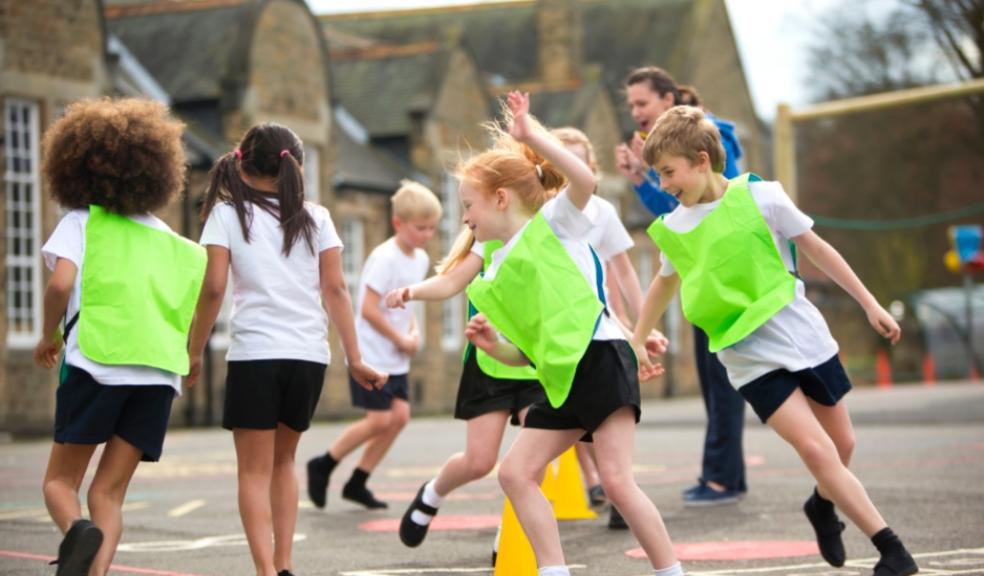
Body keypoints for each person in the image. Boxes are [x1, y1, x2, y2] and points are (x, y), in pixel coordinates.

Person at [631, 105, 918, 576]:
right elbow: (663, 284)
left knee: (841, 445)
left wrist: (871, 304)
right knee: (818, 451)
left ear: (701, 160)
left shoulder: (762, 197)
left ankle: (821, 507)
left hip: (800, 333)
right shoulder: (675, 229)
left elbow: (818, 250)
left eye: (667, 172)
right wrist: (638, 339)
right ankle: (891, 549)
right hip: (745, 353)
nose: (663, 185)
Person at [461, 91, 683, 576]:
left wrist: (530, 134)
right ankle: (553, 570)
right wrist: (493, 347)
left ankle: (671, 571)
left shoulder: (554, 223)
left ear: (501, 198)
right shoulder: (497, 269)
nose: (463, 218)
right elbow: (530, 352)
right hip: (563, 377)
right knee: (516, 473)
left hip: (600, 358)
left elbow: (584, 178)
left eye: (468, 205)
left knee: (618, 483)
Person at [186, 122, 387, 576]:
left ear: (244, 162)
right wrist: (355, 358)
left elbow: (214, 288)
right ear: (293, 163)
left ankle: (264, 572)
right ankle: (285, 564)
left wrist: (194, 351)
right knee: (285, 462)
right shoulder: (317, 216)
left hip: (256, 354)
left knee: (253, 472)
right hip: (308, 356)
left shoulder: (226, 214)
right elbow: (335, 289)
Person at [36, 98, 205, 576]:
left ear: (75, 168)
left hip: (98, 361)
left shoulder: (81, 223)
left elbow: (61, 284)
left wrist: (49, 334)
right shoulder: (175, 242)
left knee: (59, 484)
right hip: (157, 375)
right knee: (108, 494)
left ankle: (76, 530)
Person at [616, 66, 748, 506]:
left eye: (642, 103)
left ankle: (722, 478)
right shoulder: (660, 152)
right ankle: (726, 475)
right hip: (697, 270)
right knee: (715, 381)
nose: (635, 112)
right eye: (631, 104)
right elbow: (673, 212)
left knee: (725, 377)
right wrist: (641, 178)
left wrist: (648, 175)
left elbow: (709, 203)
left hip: (725, 273)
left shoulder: (709, 137)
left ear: (668, 100)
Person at [385, 215, 546, 555]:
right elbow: (450, 282)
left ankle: (511, 533)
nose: (466, 216)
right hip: (490, 364)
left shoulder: (546, 234)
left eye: (471, 205)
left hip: (534, 364)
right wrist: (410, 292)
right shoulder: (487, 241)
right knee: (479, 462)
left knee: (531, 464)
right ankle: (432, 493)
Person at [306, 181, 441, 510]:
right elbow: (367, 309)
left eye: (432, 228)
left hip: (397, 354)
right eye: (420, 228)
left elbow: (409, 306)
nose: (427, 234)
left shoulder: (420, 259)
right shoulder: (385, 258)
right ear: (398, 223)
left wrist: (414, 334)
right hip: (373, 353)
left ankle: (358, 481)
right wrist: (398, 339)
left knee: (401, 416)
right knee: (381, 420)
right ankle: (323, 464)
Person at [550, 126, 657, 512]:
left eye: (581, 161)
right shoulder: (545, 215)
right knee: (572, 416)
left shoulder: (602, 212)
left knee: (605, 417)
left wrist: (643, 325)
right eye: (565, 160)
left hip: (600, 322)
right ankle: (593, 481)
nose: (574, 168)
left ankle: (612, 490)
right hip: (561, 330)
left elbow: (624, 271)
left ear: (591, 168)